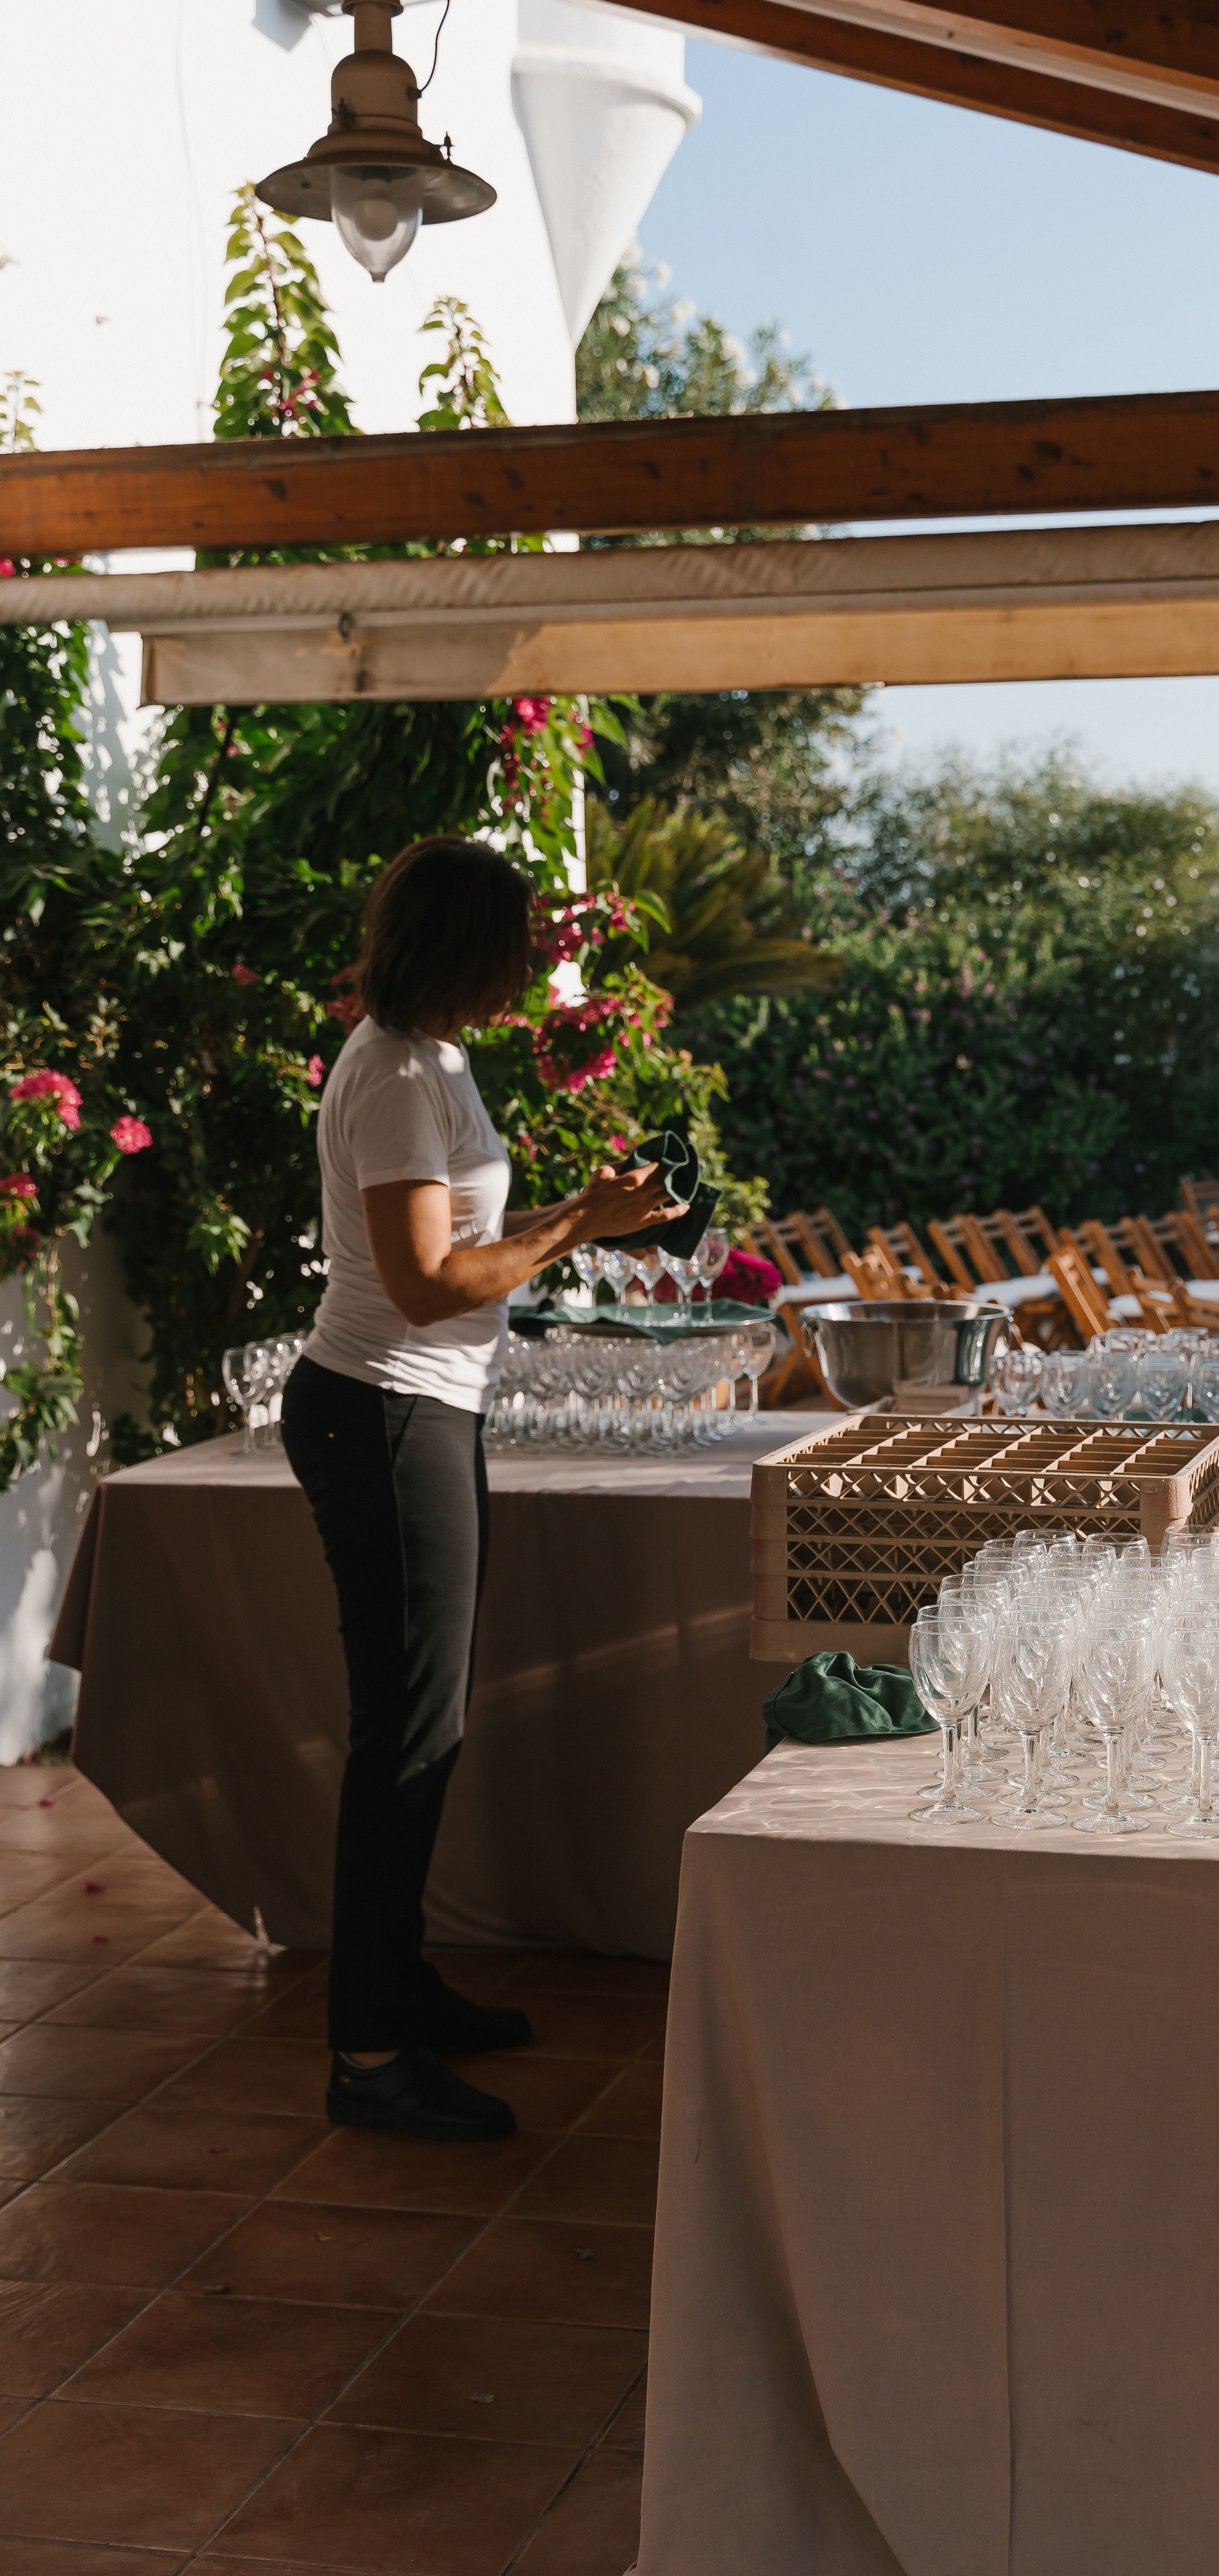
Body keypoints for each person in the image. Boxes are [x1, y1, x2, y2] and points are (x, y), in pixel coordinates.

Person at [282, 835, 681, 2143]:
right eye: (516, 942)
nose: (533, 964)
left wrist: (576, 1209)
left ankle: (398, 1986)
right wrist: (581, 1224)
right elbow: (419, 1282)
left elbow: (452, 1254)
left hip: (421, 1410)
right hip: (383, 1408)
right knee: (407, 1732)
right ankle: (371, 2049)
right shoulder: (397, 1073)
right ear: (465, 948)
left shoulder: (432, 1060)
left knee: (426, 1720)